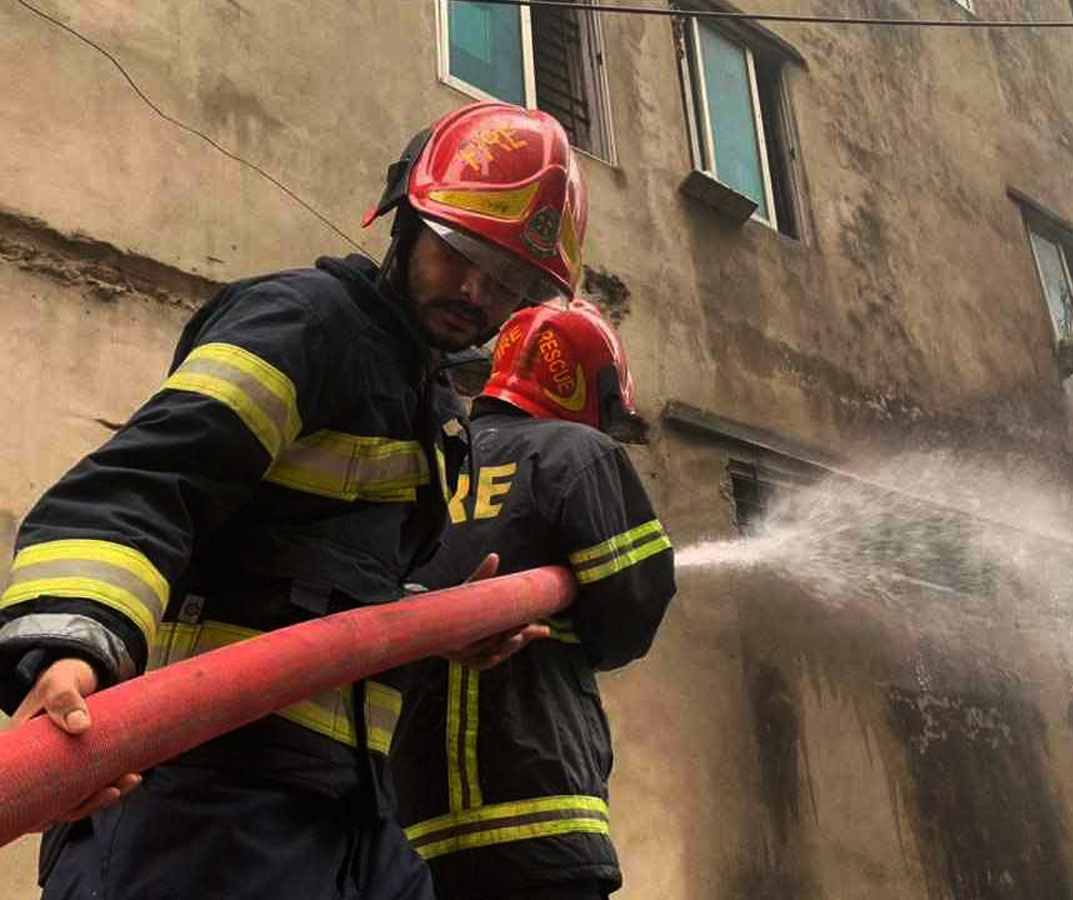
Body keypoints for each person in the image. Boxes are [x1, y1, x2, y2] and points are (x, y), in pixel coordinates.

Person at [0, 101, 588, 900]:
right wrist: (77, 651)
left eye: (513, 278)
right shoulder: (304, 327)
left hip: (351, 814)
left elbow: (315, 573)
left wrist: (434, 628)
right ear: (404, 221)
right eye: (459, 250)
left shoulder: (434, 403)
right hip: (200, 807)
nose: (480, 291)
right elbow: (149, 483)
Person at [394, 300, 677, 900]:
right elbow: (629, 619)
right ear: (589, 385)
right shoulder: (578, 454)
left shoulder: (433, 453)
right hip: (543, 813)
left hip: (410, 831)